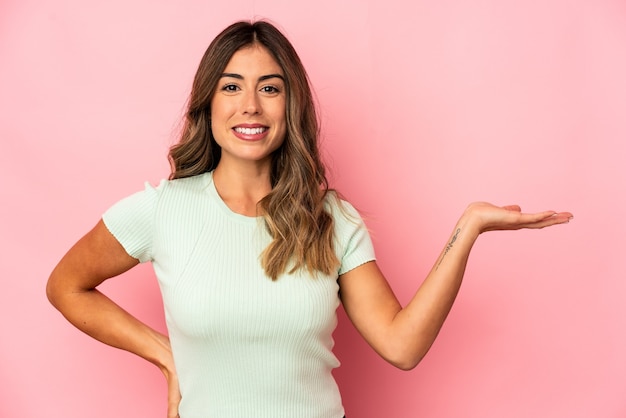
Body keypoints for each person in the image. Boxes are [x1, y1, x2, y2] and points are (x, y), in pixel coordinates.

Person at [46, 20, 573, 418]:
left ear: (290, 105)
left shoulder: (331, 218)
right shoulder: (163, 209)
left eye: (269, 88)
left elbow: (402, 345)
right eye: (231, 87)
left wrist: (468, 228)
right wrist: (163, 353)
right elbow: (66, 285)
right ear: (207, 104)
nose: (249, 105)